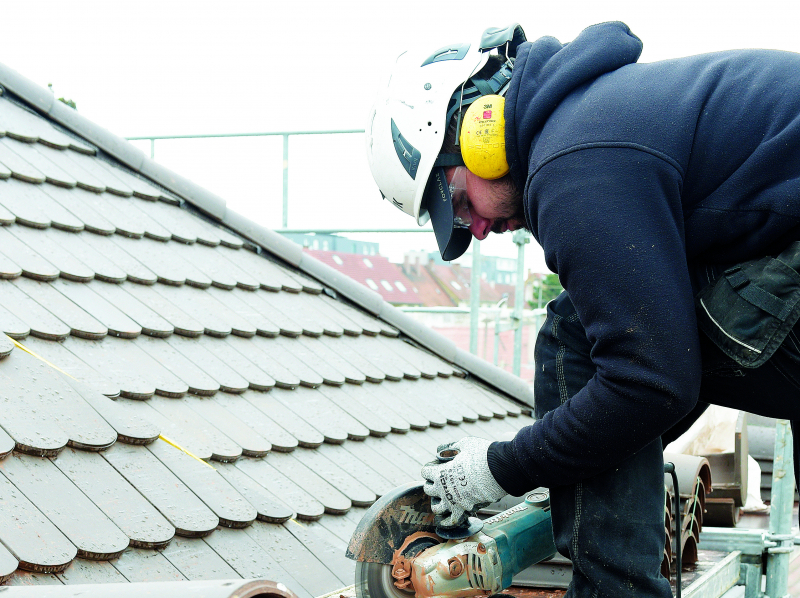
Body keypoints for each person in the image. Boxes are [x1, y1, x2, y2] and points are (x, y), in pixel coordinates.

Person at [365, 20, 800, 598]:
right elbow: (666, 355)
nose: (479, 229)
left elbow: (652, 381)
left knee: (579, 338)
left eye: (460, 203)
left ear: (478, 134)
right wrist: (567, 464)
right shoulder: (598, 119)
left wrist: (507, 468)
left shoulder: (574, 165)